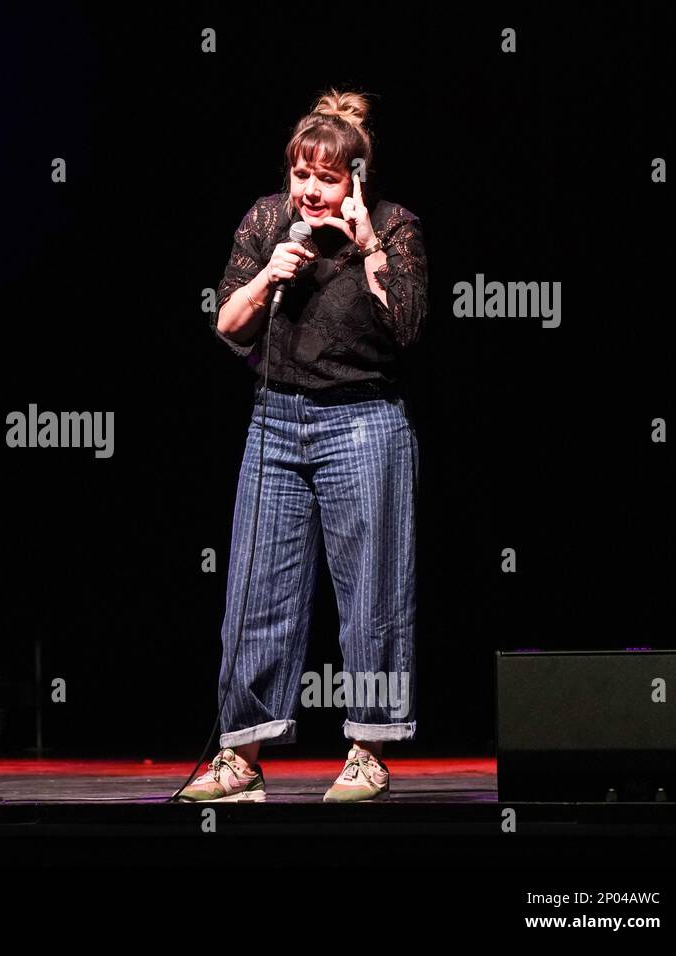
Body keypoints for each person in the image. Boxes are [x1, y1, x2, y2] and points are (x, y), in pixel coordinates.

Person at [179, 89, 427, 803]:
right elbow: (227, 325)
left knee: (373, 594)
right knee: (257, 591)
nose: (311, 190)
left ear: (356, 178)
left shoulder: (394, 227)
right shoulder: (265, 221)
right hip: (276, 422)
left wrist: (366, 244)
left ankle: (368, 751)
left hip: (364, 422)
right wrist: (269, 274)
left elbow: (406, 322)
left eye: (328, 177)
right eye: (302, 175)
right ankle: (241, 759)